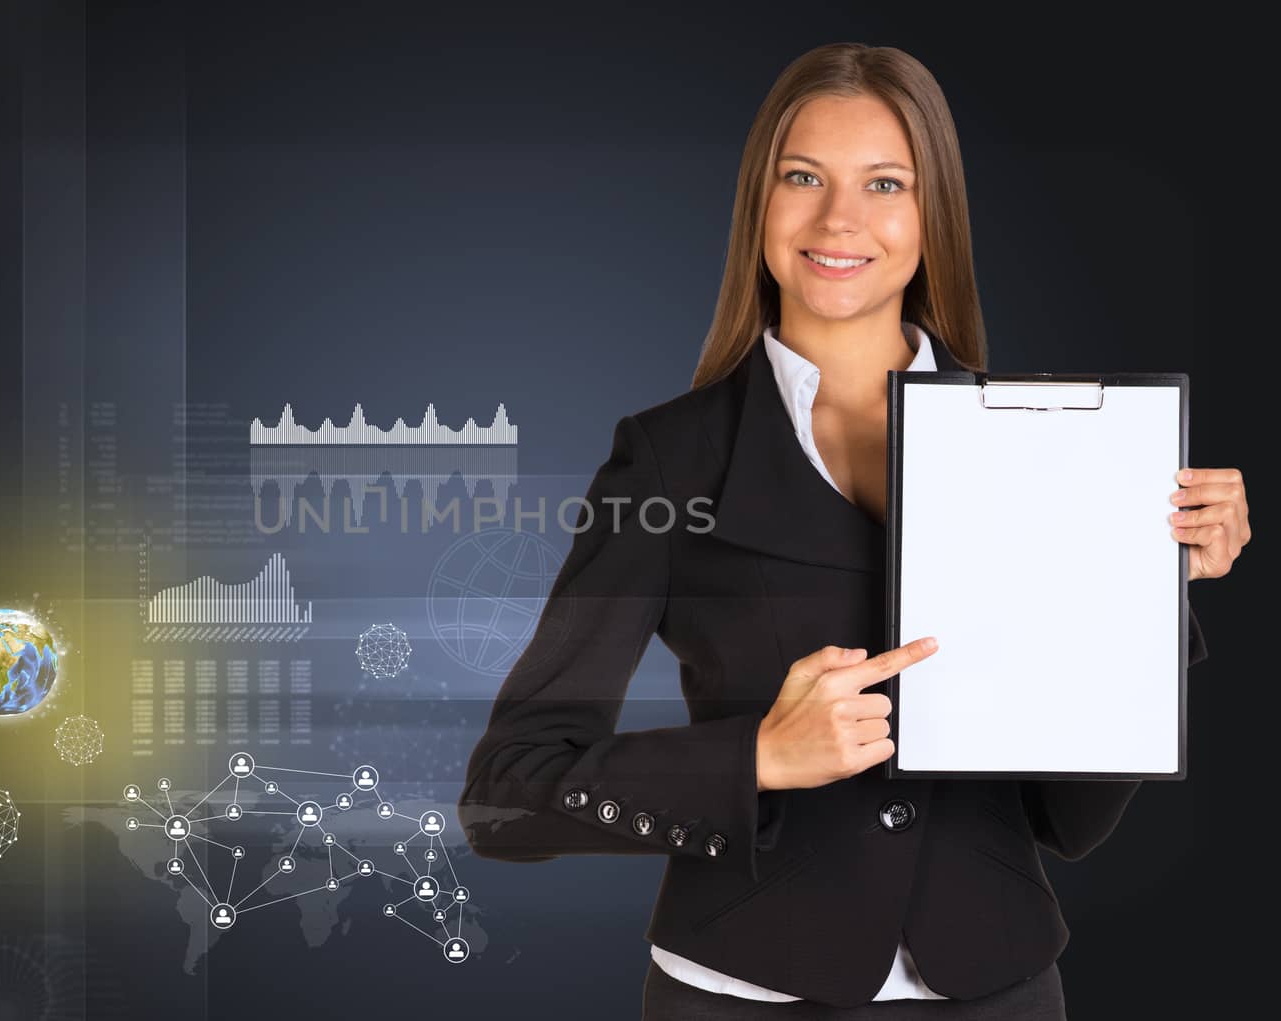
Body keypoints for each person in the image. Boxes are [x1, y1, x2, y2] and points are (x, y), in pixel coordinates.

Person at [458, 42, 1250, 1020]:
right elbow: (507, 794)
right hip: (738, 996)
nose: (839, 219)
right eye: (803, 177)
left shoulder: (1054, 451)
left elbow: (1068, 819)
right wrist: (755, 758)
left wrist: (1149, 583)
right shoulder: (667, 459)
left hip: (998, 990)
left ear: (932, 217)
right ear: (760, 201)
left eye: (884, 183)